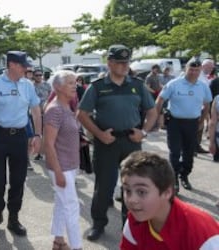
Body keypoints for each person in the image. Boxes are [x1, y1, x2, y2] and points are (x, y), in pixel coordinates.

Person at [77, 44, 157, 241]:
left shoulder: (137, 85)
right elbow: (82, 114)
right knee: (104, 186)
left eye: (126, 62)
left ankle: (129, 226)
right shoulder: (97, 86)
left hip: (131, 142)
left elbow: (152, 111)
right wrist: (98, 134)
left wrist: (144, 132)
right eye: (119, 62)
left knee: (133, 186)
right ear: (109, 63)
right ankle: (98, 223)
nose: (123, 66)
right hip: (107, 143)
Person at [0, 51, 42, 237]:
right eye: (23, 65)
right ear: (12, 64)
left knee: (18, 180)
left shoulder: (28, 85)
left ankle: (14, 218)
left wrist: (37, 135)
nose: (26, 69)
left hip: (20, 137)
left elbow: (36, 111)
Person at [120, 151, 219, 249]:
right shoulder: (135, 219)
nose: (132, 200)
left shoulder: (201, 233)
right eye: (127, 190)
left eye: (141, 192)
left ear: (167, 192)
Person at [156, 59, 212, 194]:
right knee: (174, 152)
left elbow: (207, 105)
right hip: (175, 122)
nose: (193, 72)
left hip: (192, 123)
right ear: (185, 69)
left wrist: (202, 121)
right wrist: (159, 117)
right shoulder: (174, 84)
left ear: (200, 71)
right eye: (191, 69)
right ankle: (174, 178)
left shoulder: (203, 86)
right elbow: (160, 99)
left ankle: (184, 175)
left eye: (197, 70)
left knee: (189, 153)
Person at [44, 70, 82, 250]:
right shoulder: (55, 110)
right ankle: (77, 246)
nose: (75, 85)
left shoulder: (67, 107)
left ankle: (58, 240)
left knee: (61, 203)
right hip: (62, 167)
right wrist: (58, 172)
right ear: (57, 87)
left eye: (75, 82)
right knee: (72, 206)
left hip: (70, 165)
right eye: (70, 82)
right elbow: (48, 144)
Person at [33, 68, 52, 161]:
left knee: (47, 133)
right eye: (37, 75)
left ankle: (46, 152)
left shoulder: (47, 85)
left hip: (47, 111)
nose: (39, 77)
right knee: (37, 133)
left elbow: (51, 97)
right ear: (33, 76)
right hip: (35, 112)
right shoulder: (31, 86)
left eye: (40, 75)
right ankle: (39, 152)